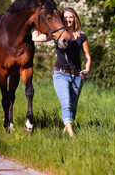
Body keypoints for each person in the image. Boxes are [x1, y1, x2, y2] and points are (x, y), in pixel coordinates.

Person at [32, 7, 91, 137]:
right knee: (66, 103)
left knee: (73, 108)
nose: (68, 20)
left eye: (71, 17)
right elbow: (35, 38)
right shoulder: (57, 34)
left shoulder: (81, 36)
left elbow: (86, 54)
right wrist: (36, 23)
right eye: (65, 17)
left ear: (75, 18)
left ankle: (65, 131)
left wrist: (87, 69)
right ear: (61, 19)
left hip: (77, 76)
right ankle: (72, 135)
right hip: (61, 74)